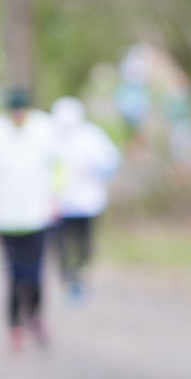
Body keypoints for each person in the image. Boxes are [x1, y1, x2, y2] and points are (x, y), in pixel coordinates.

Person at [0, 89, 61, 351]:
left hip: (36, 213)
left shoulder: (45, 128)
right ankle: (14, 326)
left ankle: (34, 316)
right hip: (4, 215)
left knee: (34, 273)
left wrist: (54, 195)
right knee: (13, 273)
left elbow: (60, 164)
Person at [51, 96, 121, 302]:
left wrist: (91, 169)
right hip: (60, 203)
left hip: (87, 202)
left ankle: (81, 274)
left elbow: (110, 161)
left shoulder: (92, 136)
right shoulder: (50, 136)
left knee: (83, 242)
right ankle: (67, 277)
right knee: (60, 244)